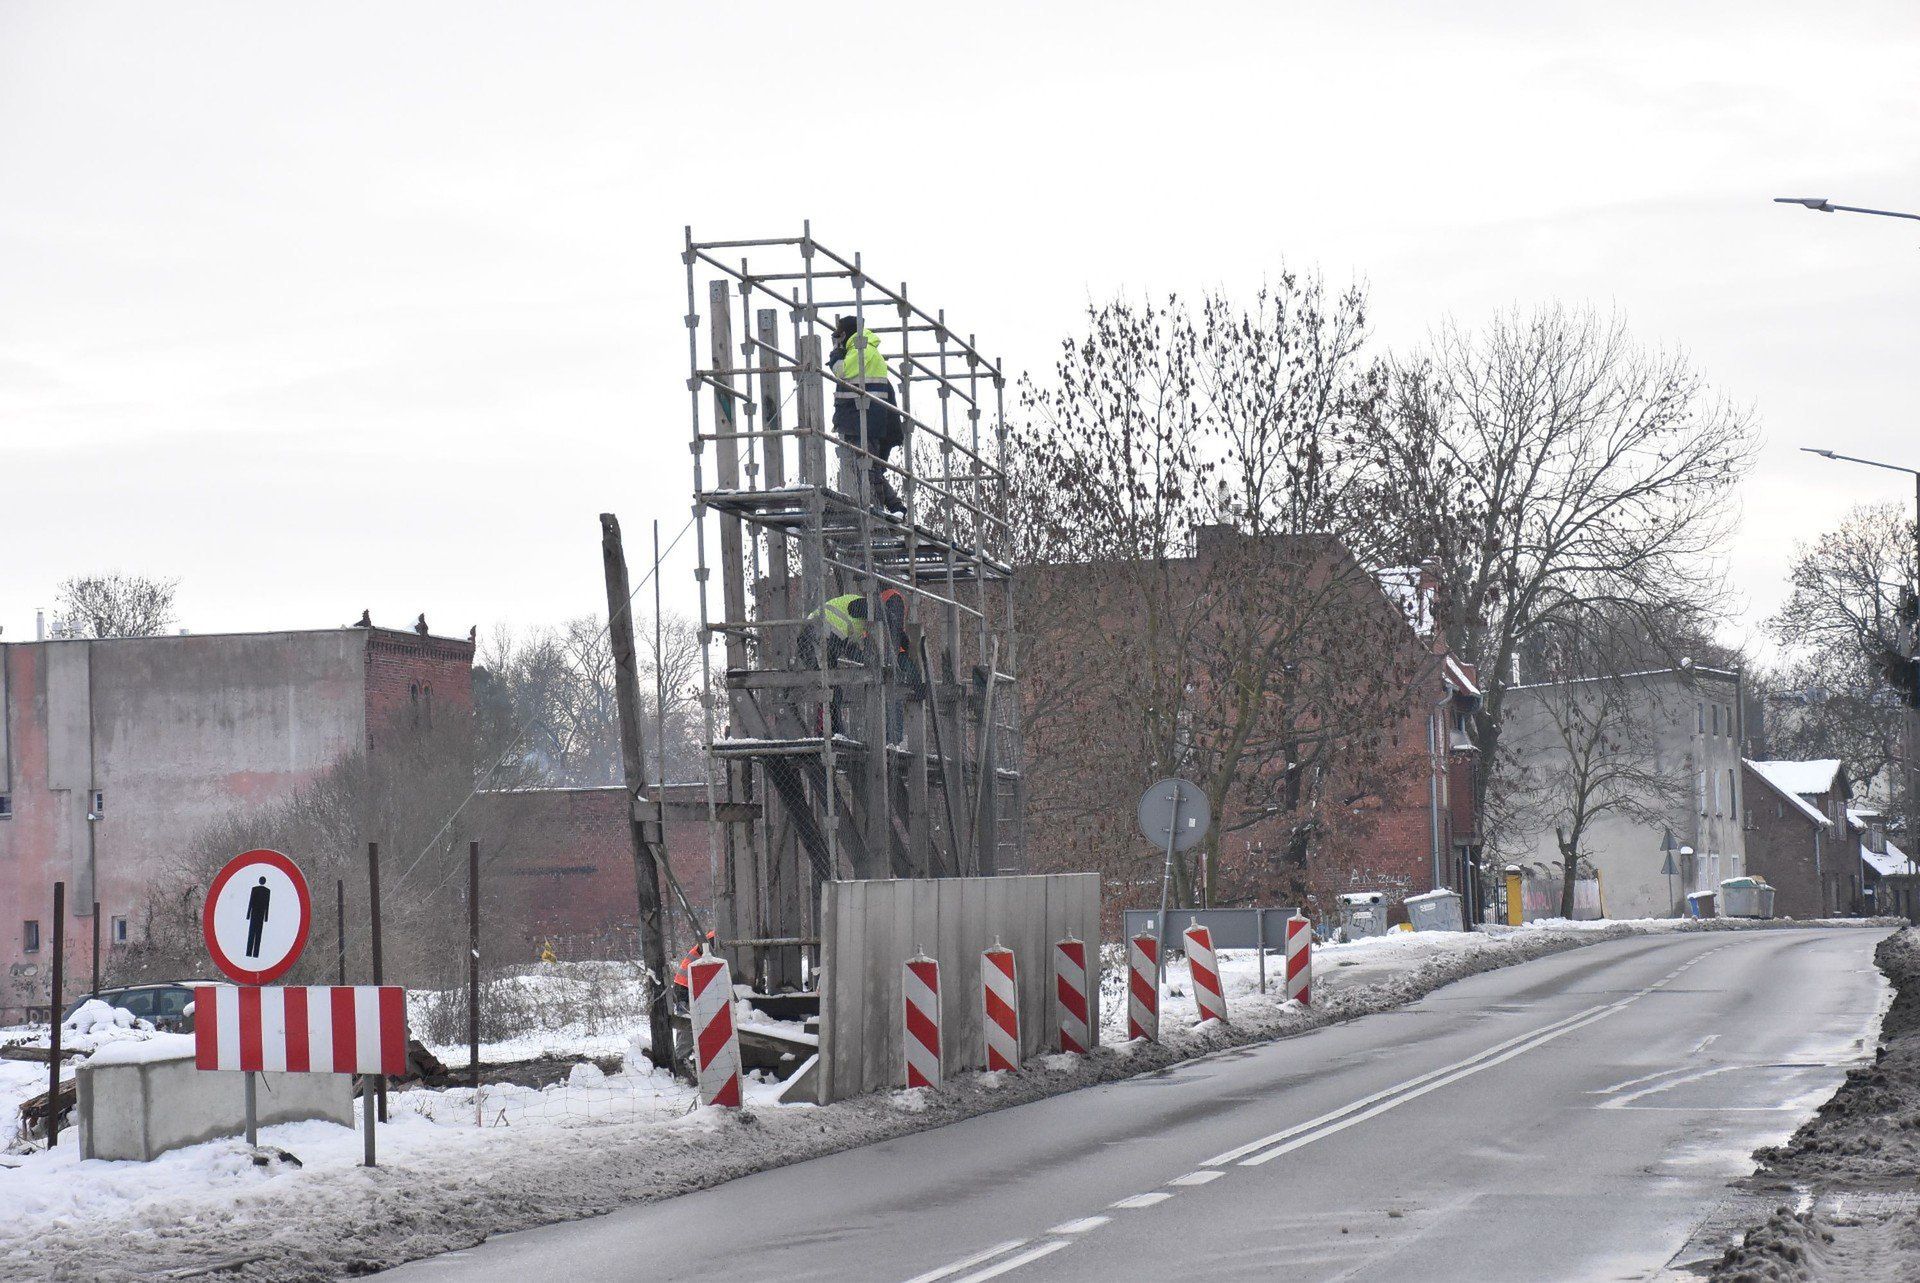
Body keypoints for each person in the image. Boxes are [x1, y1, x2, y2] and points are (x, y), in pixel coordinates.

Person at [829, 316, 906, 516]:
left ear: (845, 334)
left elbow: (841, 371)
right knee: (868, 468)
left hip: (862, 419)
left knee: (867, 469)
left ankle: (881, 509)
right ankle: (893, 507)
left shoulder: (862, 350)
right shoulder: (866, 350)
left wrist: (837, 352)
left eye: (839, 335)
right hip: (862, 420)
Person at [795, 592, 870, 736]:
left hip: (820, 636)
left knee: (832, 689)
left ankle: (832, 730)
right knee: (827, 687)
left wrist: (865, 660)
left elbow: (850, 649)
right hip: (815, 635)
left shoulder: (858, 625)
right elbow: (844, 645)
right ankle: (827, 732)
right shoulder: (864, 606)